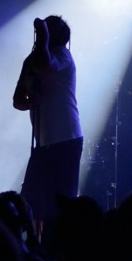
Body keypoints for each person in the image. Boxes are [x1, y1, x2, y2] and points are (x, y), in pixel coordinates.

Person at [12, 16, 83, 236]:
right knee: (32, 199)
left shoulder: (62, 55)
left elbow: (45, 65)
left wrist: (42, 34)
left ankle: (57, 250)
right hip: (43, 141)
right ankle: (34, 247)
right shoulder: (29, 62)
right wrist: (29, 101)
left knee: (59, 202)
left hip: (65, 138)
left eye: (48, 30)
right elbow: (17, 100)